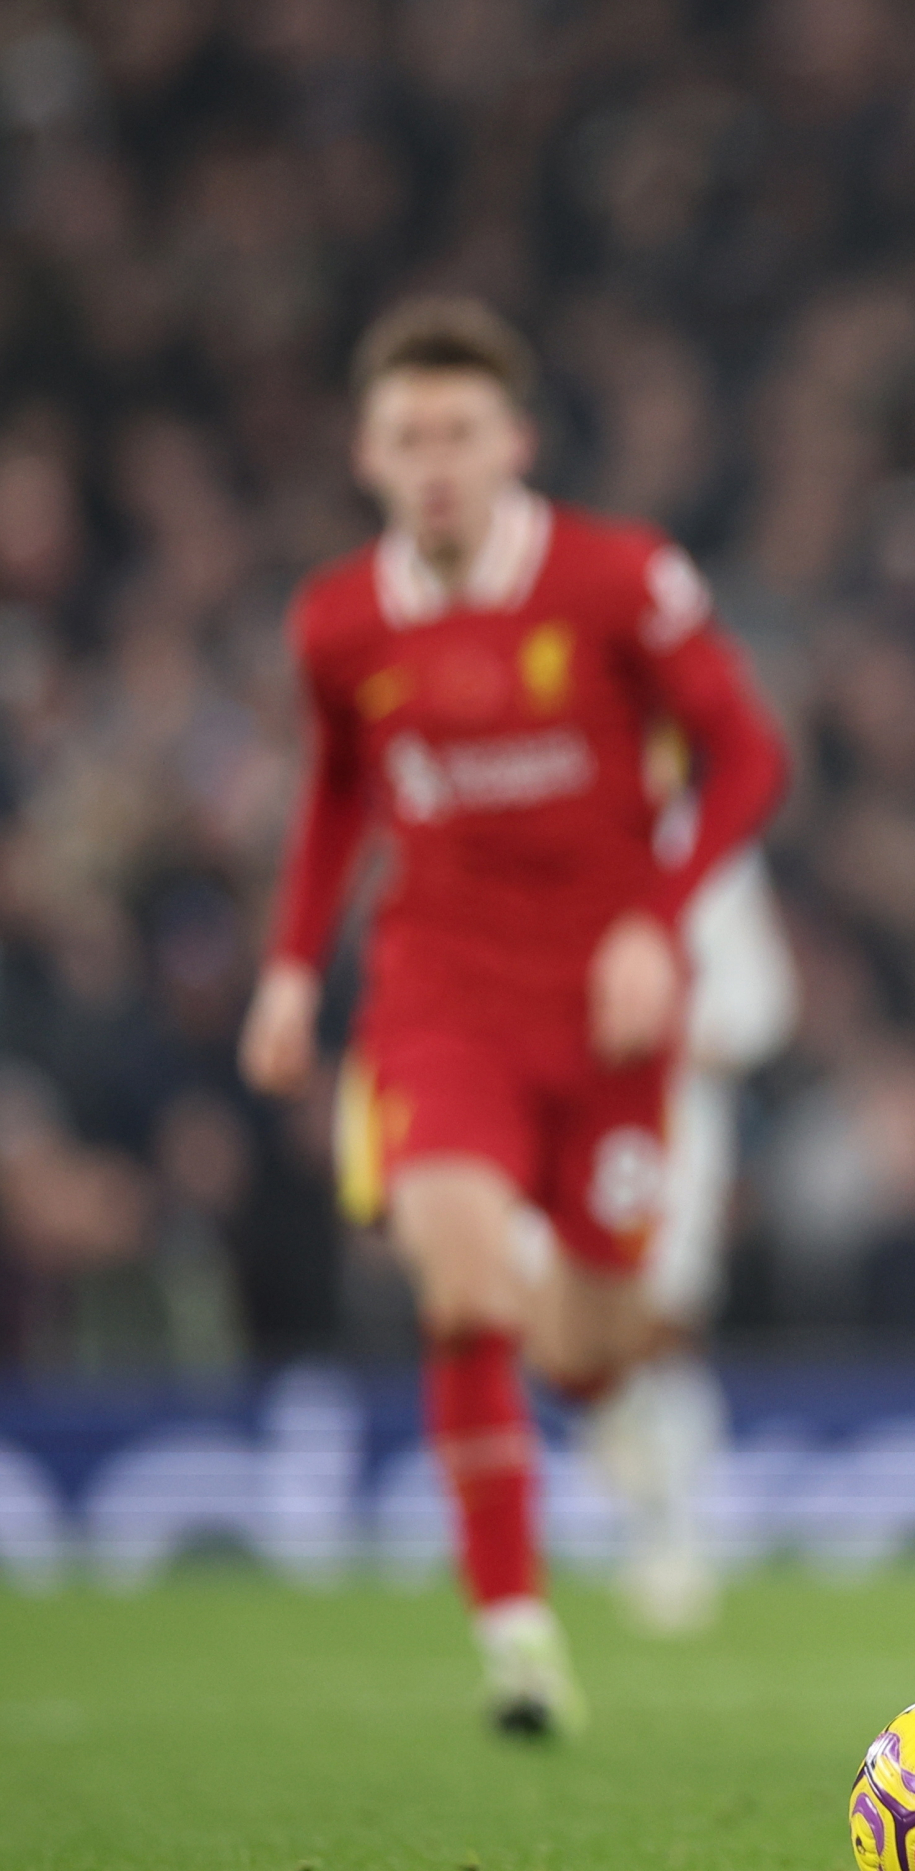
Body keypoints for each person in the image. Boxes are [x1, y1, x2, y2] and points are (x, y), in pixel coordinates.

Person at [241, 299, 788, 1736]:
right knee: (461, 1289)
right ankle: (517, 1637)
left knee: (592, 1343)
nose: (434, 462)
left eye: (459, 434)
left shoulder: (618, 583)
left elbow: (746, 758)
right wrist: (295, 969)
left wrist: (653, 925)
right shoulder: (337, 620)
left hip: (608, 1022)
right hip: (438, 1003)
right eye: (407, 437)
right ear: (367, 452)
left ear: (514, 445)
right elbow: (333, 799)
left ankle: (594, 1384)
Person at [585, 845, 798, 1637]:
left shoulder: (710, 848)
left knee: (661, 1330)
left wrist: (661, 1026)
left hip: (671, 1127)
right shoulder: (546, 813)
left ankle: (671, 1536)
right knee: (578, 1339)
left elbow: (763, 1003)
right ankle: (640, 1517)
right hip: (557, 1115)